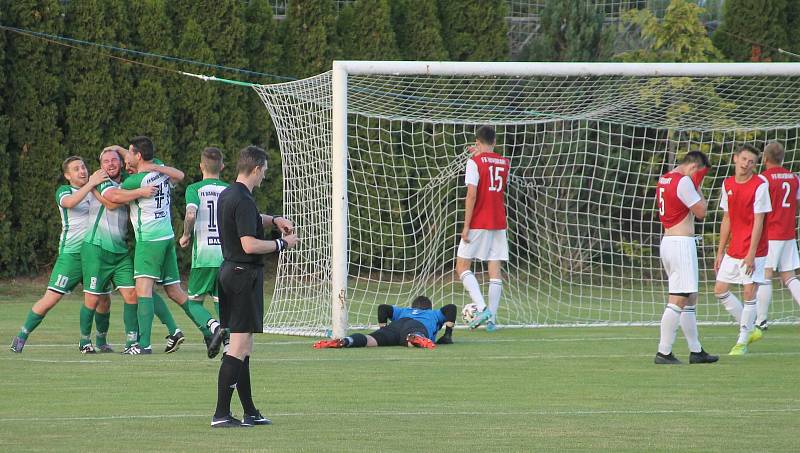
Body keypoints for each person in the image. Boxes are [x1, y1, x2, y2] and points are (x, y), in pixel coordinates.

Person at [104, 137, 222, 355]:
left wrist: (101, 187)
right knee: (175, 291)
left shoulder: (136, 181)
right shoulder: (161, 169)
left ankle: (144, 345)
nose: (126, 158)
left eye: (130, 153)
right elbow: (178, 175)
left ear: (138, 156)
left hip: (149, 241)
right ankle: (209, 330)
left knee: (143, 291)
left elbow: (112, 199)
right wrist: (118, 149)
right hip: (166, 237)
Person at [211, 145, 298, 428]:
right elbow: (249, 244)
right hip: (242, 274)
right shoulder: (244, 199)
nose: (264, 177)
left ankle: (249, 411)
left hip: (231, 272)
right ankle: (221, 414)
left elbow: (249, 219)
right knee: (237, 346)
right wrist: (282, 244)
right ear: (257, 168)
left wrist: (274, 219)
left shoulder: (229, 193)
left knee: (244, 346)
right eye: (265, 172)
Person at [10, 157, 107, 353]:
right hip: (71, 256)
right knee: (50, 299)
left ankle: (101, 341)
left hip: (95, 255)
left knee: (103, 299)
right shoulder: (65, 191)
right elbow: (70, 203)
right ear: (67, 175)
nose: (82, 171)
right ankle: (21, 336)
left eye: (83, 167)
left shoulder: (95, 190)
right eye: (76, 169)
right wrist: (91, 184)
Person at [79, 147, 156, 353]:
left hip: (120, 251)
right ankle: (85, 341)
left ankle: (131, 342)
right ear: (101, 166)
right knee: (95, 299)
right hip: (96, 248)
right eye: (106, 161)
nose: (111, 164)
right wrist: (139, 192)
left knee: (131, 295)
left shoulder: (127, 183)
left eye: (114, 160)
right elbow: (112, 203)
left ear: (121, 163)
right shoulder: (101, 181)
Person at [653, 151, 718, 365]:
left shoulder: (666, 178)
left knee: (690, 297)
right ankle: (663, 352)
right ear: (693, 168)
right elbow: (701, 211)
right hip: (680, 243)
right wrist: (697, 185)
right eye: (700, 174)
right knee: (679, 298)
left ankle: (696, 350)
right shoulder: (683, 182)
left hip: (670, 242)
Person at [714, 144, 772, 356]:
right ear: (735, 158)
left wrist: (751, 254)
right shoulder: (727, 183)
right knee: (720, 289)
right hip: (734, 247)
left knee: (749, 292)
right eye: (744, 159)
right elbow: (727, 218)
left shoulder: (760, 185)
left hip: (755, 249)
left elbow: (759, 221)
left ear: (755, 166)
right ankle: (750, 329)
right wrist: (720, 251)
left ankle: (741, 342)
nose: (746, 164)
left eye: (751, 162)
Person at [455, 125, 510, 332]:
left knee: (462, 266)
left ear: (477, 141)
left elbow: (472, 194)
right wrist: (481, 152)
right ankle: (492, 320)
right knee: (494, 270)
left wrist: (466, 226)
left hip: (479, 221)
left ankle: (483, 307)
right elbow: (491, 167)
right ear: (494, 142)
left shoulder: (474, 162)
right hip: (499, 221)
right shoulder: (505, 162)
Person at [179, 147, 230, 354]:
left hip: (204, 257)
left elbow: (191, 214)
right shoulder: (229, 189)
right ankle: (229, 349)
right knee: (223, 305)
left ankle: (214, 327)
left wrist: (186, 235)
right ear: (222, 167)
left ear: (201, 166)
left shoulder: (194, 189)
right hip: (226, 256)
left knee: (194, 304)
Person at [754, 142, 800, 336]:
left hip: (770, 233)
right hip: (788, 232)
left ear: (765, 158)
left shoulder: (762, 180)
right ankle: (761, 319)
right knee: (789, 276)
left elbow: (759, 209)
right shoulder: (794, 178)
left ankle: (761, 320)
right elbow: (797, 204)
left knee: (765, 275)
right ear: (782, 158)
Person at [312, 296, 456, 349]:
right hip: (417, 326)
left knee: (371, 340)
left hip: (395, 326)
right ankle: (415, 338)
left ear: (413, 306)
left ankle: (346, 341)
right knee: (412, 337)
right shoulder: (432, 314)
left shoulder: (404, 310)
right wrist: (447, 335)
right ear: (428, 307)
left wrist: (384, 329)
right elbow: (451, 308)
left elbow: (383, 308)